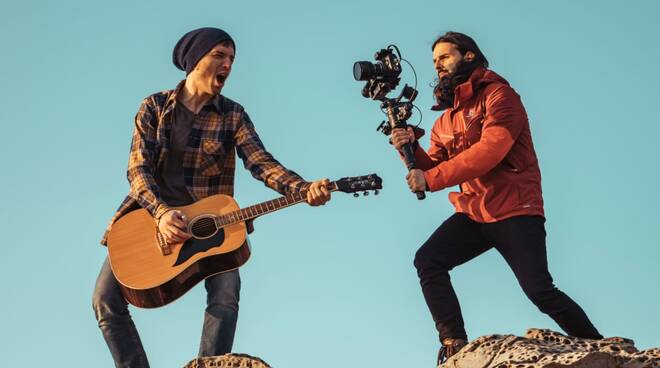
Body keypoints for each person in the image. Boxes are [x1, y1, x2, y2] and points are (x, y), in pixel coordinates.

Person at [92, 27, 331, 368]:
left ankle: (208, 364)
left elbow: (262, 163)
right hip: (147, 219)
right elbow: (138, 169)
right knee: (105, 299)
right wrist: (161, 213)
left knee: (226, 293)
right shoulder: (155, 107)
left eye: (232, 58)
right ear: (194, 61)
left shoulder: (233, 115)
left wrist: (303, 188)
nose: (228, 64)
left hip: (211, 229)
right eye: (219, 55)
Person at [390, 31, 602, 365]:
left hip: (516, 208)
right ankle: (454, 343)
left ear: (469, 55)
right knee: (428, 260)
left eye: (445, 57)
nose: (438, 66)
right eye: (435, 61)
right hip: (475, 212)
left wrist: (428, 179)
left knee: (540, 291)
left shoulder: (500, 96)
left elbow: (492, 150)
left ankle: (601, 348)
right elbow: (434, 164)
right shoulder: (444, 121)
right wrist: (410, 147)